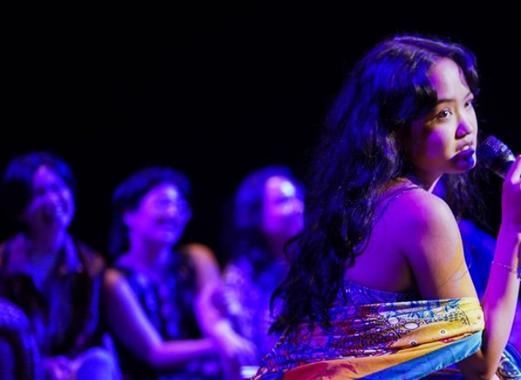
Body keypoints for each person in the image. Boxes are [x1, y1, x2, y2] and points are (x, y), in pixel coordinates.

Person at [253, 35, 521, 380]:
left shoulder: (365, 202)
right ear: (397, 129)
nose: (467, 128)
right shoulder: (419, 212)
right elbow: (480, 364)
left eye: (467, 104)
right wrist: (515, 228)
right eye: (443, 113)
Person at [103, 167, 255, 380]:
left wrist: (226, 323)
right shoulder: (116, 280)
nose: (173, 213)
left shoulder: (197, 257)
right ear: (129, 214)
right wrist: (218, 343)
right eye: (163, 203)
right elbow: (154, 353)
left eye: (180, 206)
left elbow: (214, 319)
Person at [0, 151, 120, 380]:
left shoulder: (91, 265)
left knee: (100, 362)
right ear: (20, 207)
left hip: (70, 369)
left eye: (58, 188)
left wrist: (67, 366)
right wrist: (39, 363)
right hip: (18, 368)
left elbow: (92, 334)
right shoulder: (4, 261)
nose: (53, 200)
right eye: (39, 193)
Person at [219, 166, 304, 370]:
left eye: (297, 198)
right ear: (256, 213)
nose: (297, 207)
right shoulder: (242, 271)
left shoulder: (319, 261)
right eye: (283, 201)